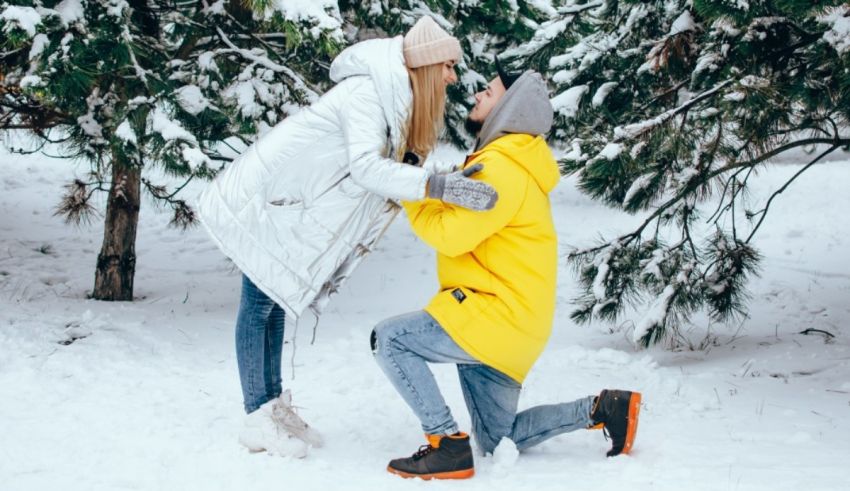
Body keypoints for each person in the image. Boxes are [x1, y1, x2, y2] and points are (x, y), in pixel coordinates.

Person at [197, 17, 498, 458]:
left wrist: (442, 180)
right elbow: (366, 168)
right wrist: (436, 186)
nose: (453, 76)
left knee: (273, 302)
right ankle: (256, 416)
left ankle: (272, 405)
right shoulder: (369, 93)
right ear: (429, 65)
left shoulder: (394, 96)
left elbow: (387, 175)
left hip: (291, 204)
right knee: (258, 304)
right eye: (449, 65)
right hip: (269, 199)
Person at [371, 60, 642, 479]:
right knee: (500, 440)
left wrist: (411, 192)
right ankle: (603, 408)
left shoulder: (501, 168)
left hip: (493, 315)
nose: (479, 93)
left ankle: (445, 443)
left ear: (509, 109)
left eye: (490, 91)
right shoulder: (510, 162)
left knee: (390, 340)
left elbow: (451, 237)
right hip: (515, 324)